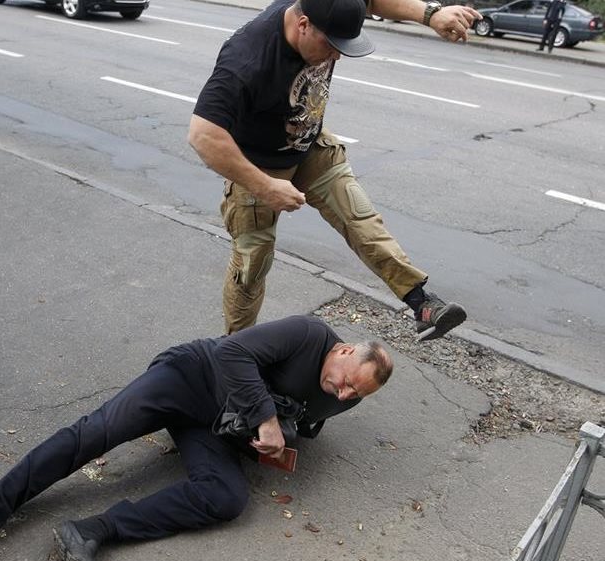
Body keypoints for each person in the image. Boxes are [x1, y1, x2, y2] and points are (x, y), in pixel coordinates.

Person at [0, 314, 393, 561]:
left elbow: (303, 422)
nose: (345, 395)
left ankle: (91, 531)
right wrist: (267, 420)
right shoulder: (308, 333)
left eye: (357, 396)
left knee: (226, 498)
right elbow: (232, 353)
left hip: (215, 426)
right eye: (349, 383)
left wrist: (278, 440)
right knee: (95, 433)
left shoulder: (341, 400)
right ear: (346, 350)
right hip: (189, 376)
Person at [188, 0, 481, 340]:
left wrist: (431, 15)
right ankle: (234, 351)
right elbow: (203, 135)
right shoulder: (246, 59)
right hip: (259, 165)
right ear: (303, 25)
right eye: (331, 45)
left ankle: (423, 304)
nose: (337, 57)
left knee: (361, 219)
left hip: (310, 145)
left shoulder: (332, 4)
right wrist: (266, 186)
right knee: (251, 266)